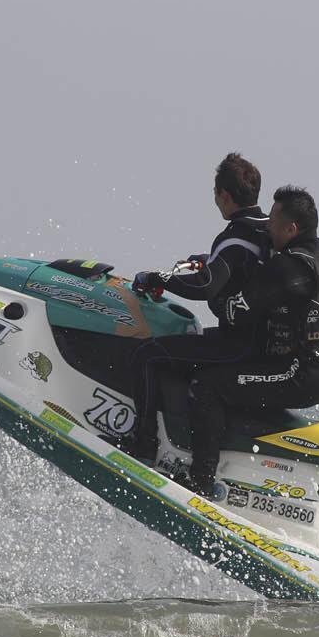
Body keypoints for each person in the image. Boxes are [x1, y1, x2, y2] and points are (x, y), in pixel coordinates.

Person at [179, 185, 319, 496]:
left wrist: (214, 280)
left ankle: (200, 481)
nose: (266, 226)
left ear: (292, 228)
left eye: (272, 222)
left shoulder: (285, 268)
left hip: (300, 377)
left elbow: (234, 311)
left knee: (206, 386)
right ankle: (251, 473)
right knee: (243, 383)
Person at [125, 153, 270, 464]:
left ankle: (144, 448)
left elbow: (205, 286)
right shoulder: (269, 229)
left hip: (240, 345)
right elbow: (242, 270)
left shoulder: (234, 238)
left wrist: (159, 279)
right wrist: (213, 261)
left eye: (215, 195)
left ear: (225, 195)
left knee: (146, 356)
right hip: (262, 340)